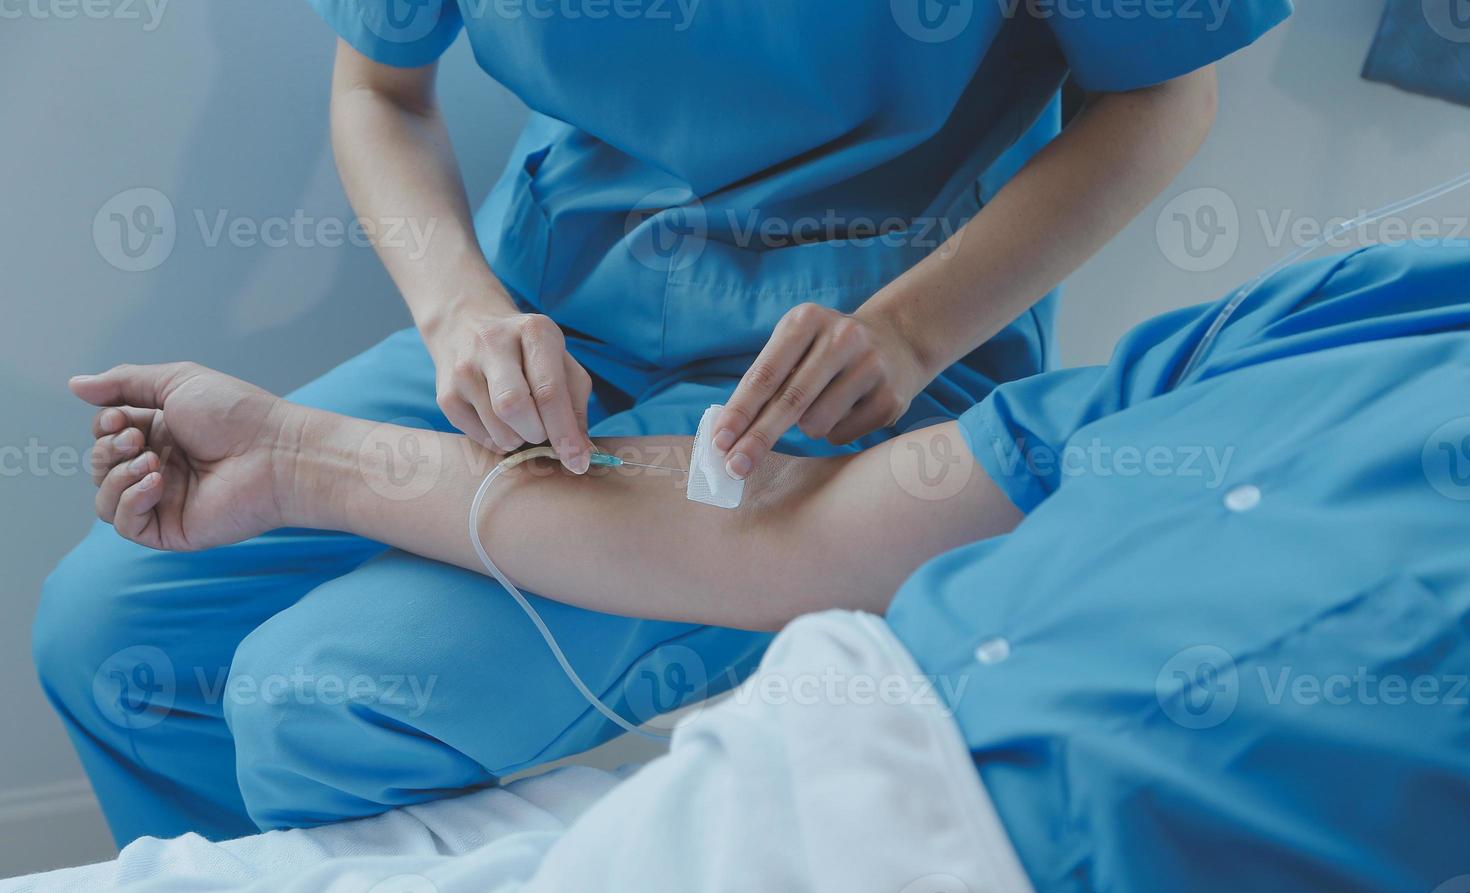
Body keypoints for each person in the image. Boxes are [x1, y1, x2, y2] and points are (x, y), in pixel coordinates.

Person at [34, 0, 1292, 843]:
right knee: (109, 635)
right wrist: (458, 311)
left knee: (324, 697)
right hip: (546, 321)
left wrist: (911, 333)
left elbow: (1163, 96)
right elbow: (380, 85)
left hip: (855, 363)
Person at [60, 241, 1470, 893]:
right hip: (731, 804)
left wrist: (913, 330)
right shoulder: (1360, 311)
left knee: (320, 702)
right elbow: (798, 528)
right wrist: (305, 460)